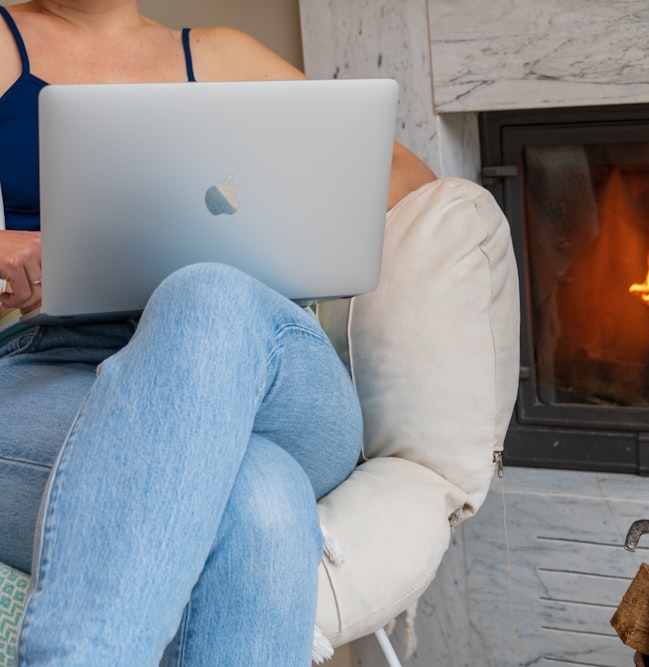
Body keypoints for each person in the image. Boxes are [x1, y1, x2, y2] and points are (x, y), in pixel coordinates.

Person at [0, 1, 436, 665]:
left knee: (205, 291)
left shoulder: (224, 57)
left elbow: (407, 178)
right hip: (48, 367)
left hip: (262, 369)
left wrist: (288, 218)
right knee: (261, 499)